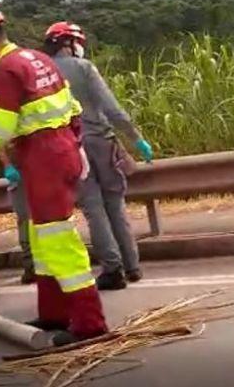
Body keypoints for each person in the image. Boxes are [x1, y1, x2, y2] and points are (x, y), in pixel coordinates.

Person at [0, 4, 108, 344]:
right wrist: (76, 144)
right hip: (59, 149)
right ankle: (54, 314)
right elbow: (72, 109)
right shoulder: (39, 58)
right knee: (42, 238)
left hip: (43, 156)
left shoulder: (5, 70)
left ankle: (90, 323)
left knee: (58, 240)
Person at [44, 21, 154, 290]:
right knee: (115, 204)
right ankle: (132, 266)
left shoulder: (44, 73)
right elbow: (113, 109)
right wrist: (137, 140)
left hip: (71, 148)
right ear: (69, 43)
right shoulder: (84, 68)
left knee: (93, 209)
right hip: (103, 143)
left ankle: (112, 269)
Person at [0, 151, 35, 284]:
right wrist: (7, 164)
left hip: (33, 164)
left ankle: (32, 266)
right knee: (27, 218)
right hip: (22, 165)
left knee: (27, 218)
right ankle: (31, 266)